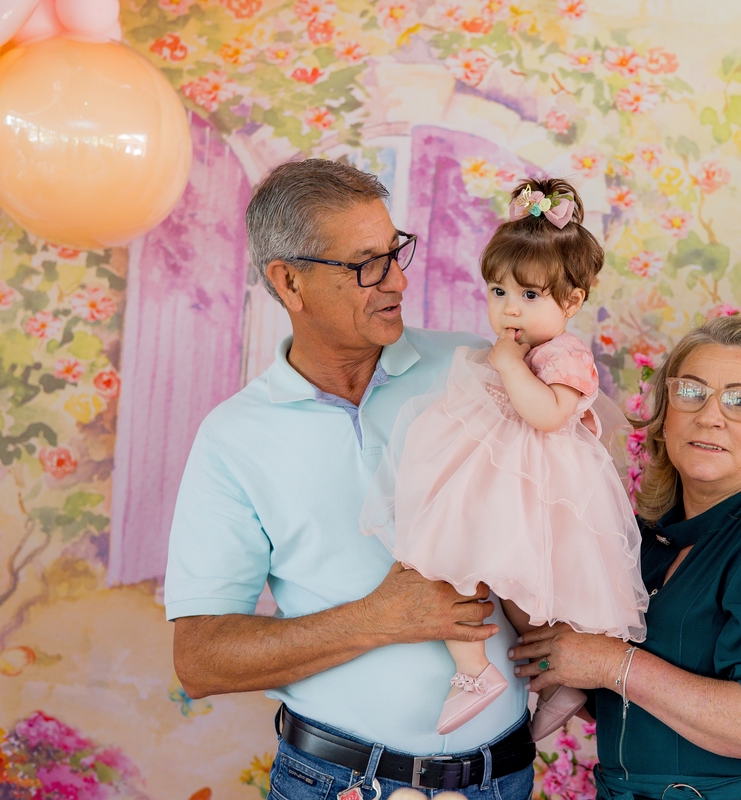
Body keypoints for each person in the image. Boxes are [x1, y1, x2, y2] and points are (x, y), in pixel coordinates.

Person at [165, 159, 535, 800]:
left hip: (502, 779)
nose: (397, 280)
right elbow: (200, 659)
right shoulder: (232, 438)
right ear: (289, 282)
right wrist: (380, 618)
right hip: (337, 783)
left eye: (396, 252)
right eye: (367, 264)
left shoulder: (479, 369)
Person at [509, 315, 741, 800]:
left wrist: (612, 663)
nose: (710, 416)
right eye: (691, 392)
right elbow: (609, 697)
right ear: (665, 417)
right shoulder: (640, 541)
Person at [361, 178, 647, 739]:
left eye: (530, 296)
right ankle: (477, 670)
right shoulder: (517, 347)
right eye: (498, 292)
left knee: (519, 587)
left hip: (542, 487)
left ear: (572, 302)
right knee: (453, 560)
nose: (509, 308)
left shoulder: (564, 354)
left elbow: (548, 414)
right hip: (501, 479)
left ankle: (548, 677)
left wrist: (510, 365)